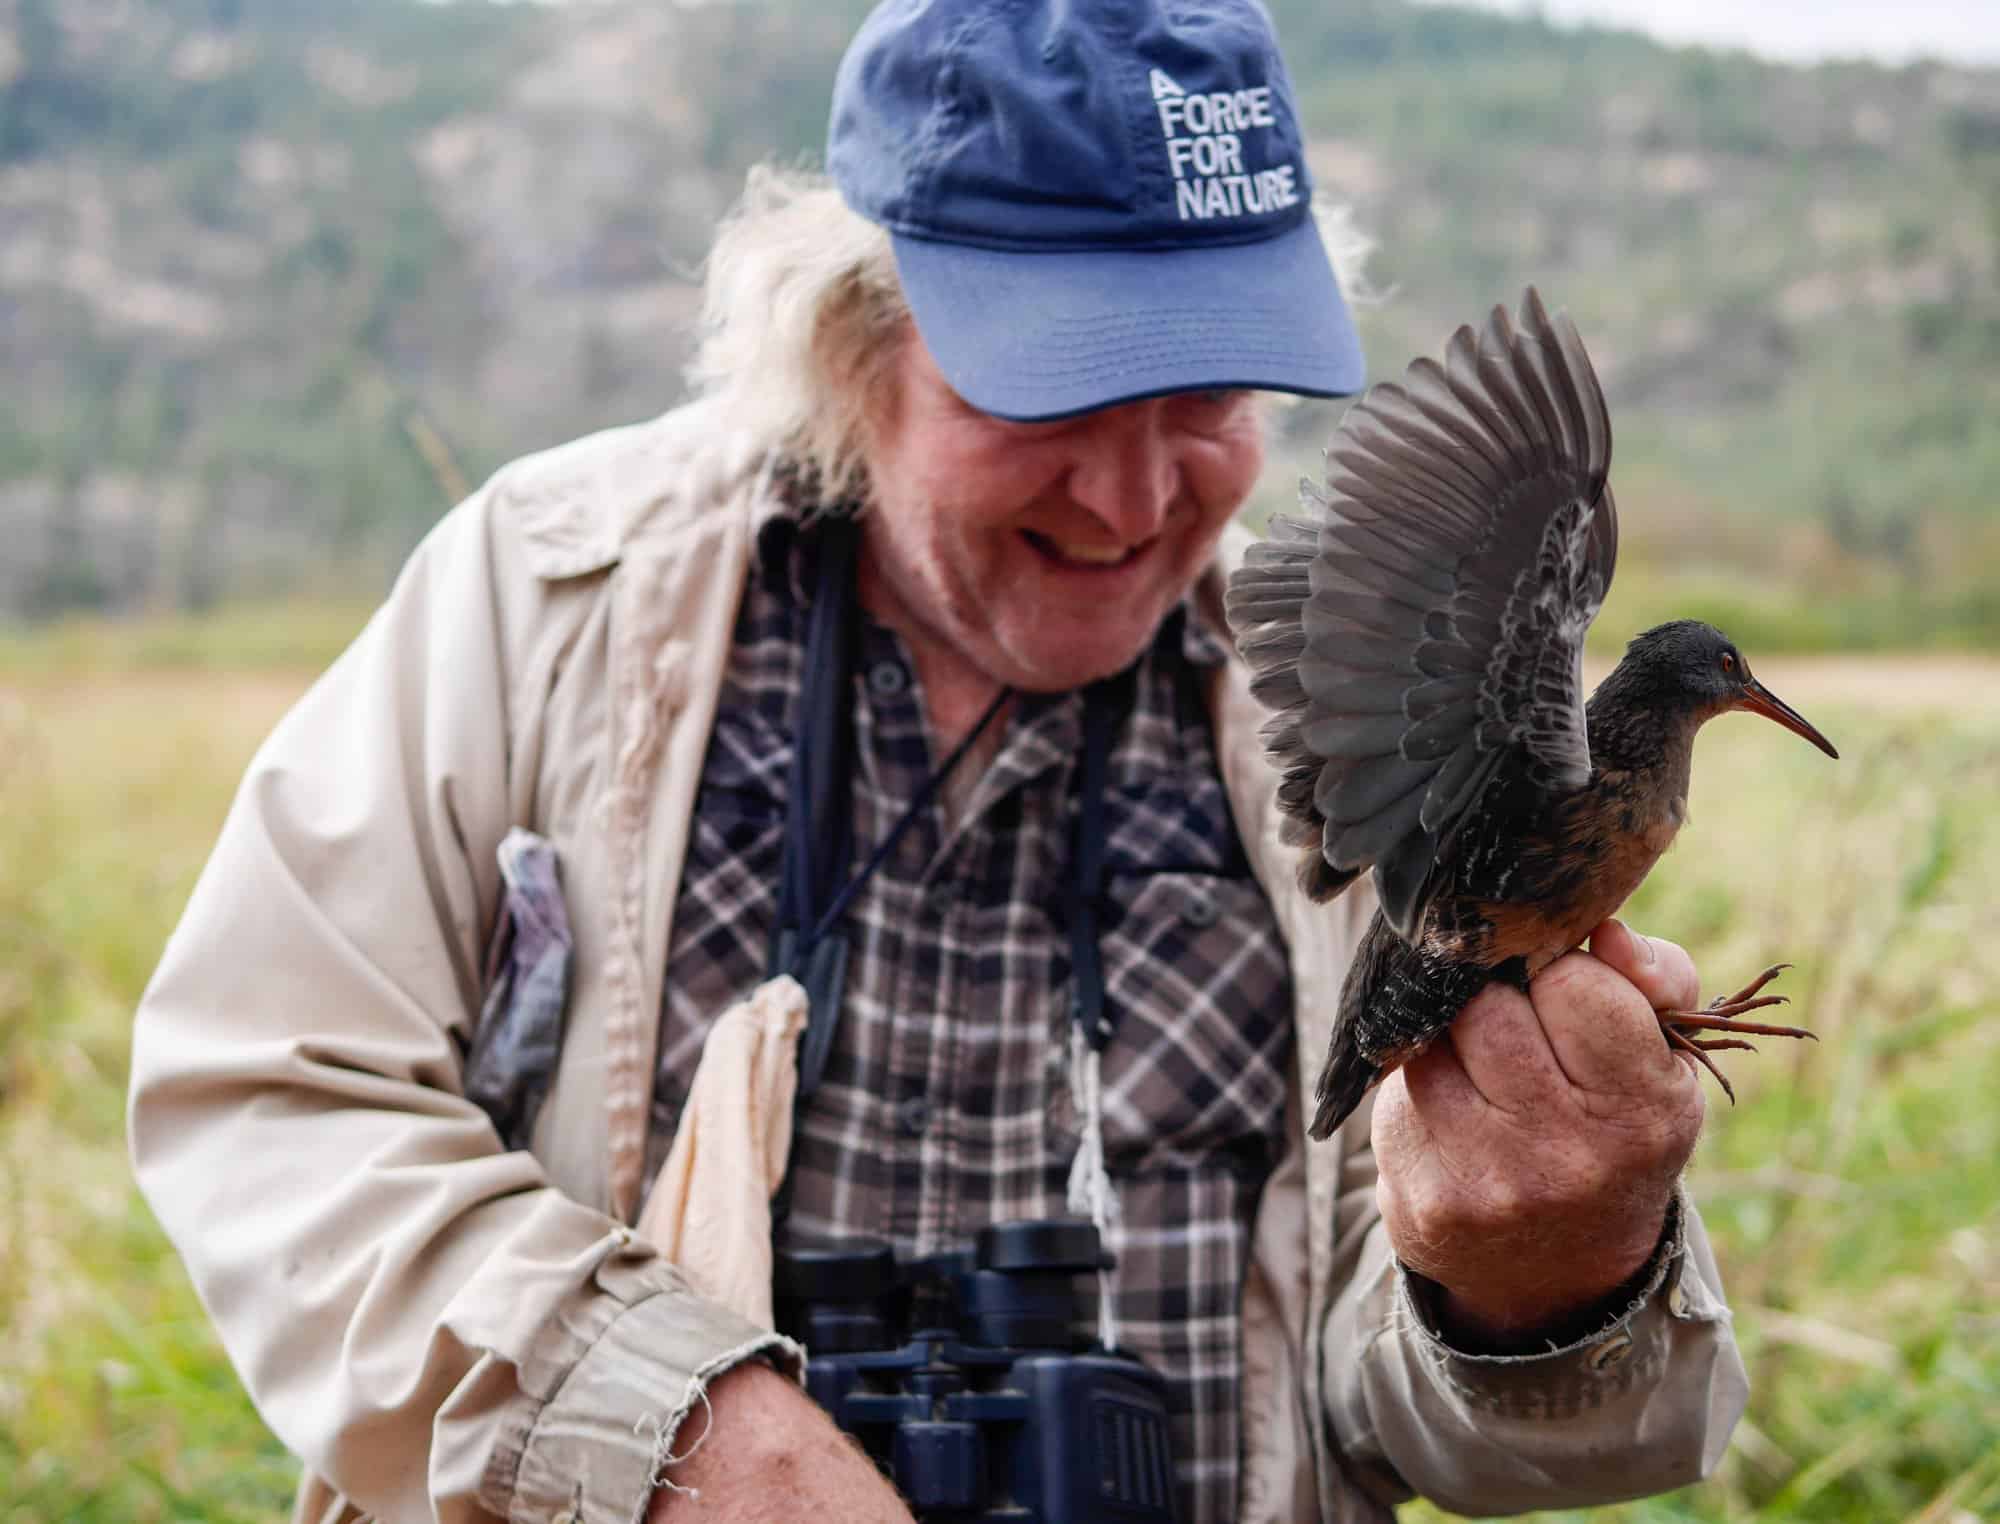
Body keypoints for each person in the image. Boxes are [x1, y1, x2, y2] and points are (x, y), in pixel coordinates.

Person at [129, 2, 1747, 1521]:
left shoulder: (1348, 705)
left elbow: (1443, 1412)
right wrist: (661, 1429)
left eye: (1202, 396)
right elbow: (263, 1101)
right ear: (851, 340)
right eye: (1047, 390)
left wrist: (1547, 1283)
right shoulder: (552, 596)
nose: (1127, 502)